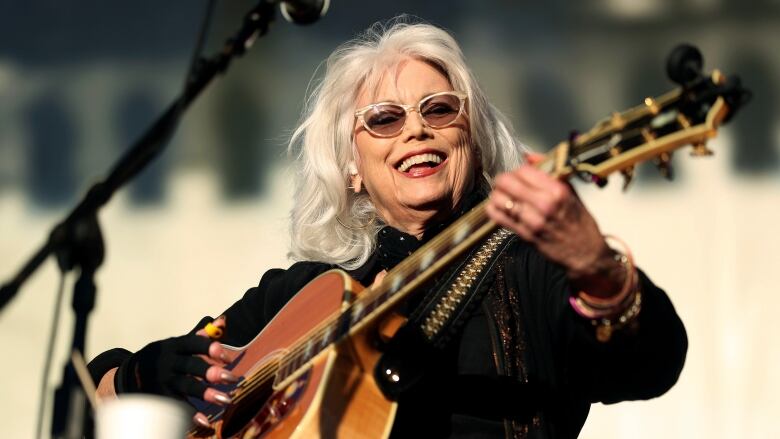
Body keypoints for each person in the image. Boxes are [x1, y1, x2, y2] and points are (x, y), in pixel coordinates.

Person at [88, 19, 687, 438]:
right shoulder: (299, 295)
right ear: (351, 165)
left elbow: (650, 366)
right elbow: (95, 395)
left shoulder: (530, 265)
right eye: (384, 119)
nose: (415, 131)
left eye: (439, 109)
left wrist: (597, 268)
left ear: (471, 137)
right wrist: (146, 375)